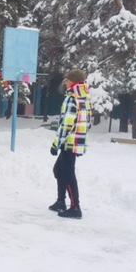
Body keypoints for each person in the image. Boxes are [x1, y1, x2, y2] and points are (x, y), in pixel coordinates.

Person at [49, 69, 92, 219]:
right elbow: (88, 121)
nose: (65, 82)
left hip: (69, 141)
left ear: (73, 81)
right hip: (75, 140)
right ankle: (61, 201)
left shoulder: (72, 97)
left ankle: (75, 207)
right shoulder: (84, 96)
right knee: (59, 170)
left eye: (67, 80)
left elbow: (67, 123)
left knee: (67, 173)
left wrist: (56, 144)